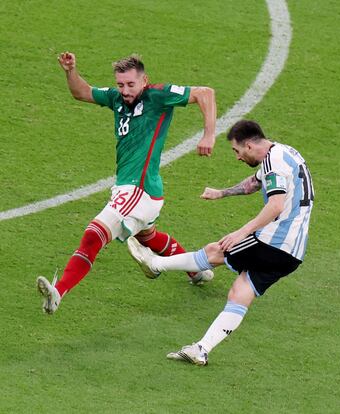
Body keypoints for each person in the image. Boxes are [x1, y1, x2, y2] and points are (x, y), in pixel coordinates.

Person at [37, 52, 217, 314]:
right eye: (121, 85)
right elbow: (82, 92)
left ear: (145, 81)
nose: (125, 90)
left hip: (139, 189)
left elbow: (206, 93)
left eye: (131, 84)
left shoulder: (157, 95)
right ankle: (196, 270)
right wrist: (70, 71)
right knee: (148, 236)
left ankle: (58, 292)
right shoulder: (116, 99)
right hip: (137, 189)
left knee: (93, 235)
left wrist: (209, 135)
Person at [127, 120, 314, 365]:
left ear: (249, 145)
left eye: (237, 151)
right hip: (293, 254)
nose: (237, 157)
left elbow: (276, 205)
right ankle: (201, 349)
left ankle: (156, 264)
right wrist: (221, 193)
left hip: (274, 242)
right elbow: (254, 183)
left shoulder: (273, 162)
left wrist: (242, 233)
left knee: (216, 251)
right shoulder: (285, 153)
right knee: (239, 293)